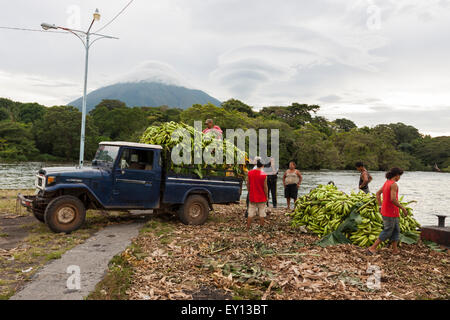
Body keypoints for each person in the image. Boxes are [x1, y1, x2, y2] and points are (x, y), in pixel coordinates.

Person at [367, 167, 408, 255]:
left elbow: (378, 194)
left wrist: (380, 206)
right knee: (388, 230)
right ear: (396, 175)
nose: (399, 178)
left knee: (396, 230)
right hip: (391, 212)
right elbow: (393, 199)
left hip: (388, 211)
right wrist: (403, 208)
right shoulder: (393, 184)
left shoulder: (386, 183)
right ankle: (372, 248)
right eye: (399, 176)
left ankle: (395, 250)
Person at [247, 159, 268, 230]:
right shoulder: (264, 174)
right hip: (261, 196)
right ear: (263, 165)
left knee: (250, 213)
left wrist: (249, 191)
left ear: (256, 165)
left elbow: (248, 184)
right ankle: (261, 227)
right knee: (262, 213)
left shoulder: (250, 173)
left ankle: (248, 227)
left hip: (252, 196)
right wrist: (266, 196)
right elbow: (265, 187)